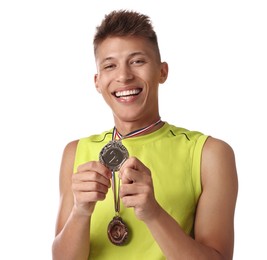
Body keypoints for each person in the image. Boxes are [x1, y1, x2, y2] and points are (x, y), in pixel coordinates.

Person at [52, 9, 238, 260]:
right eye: (110, 65)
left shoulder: (210, 154)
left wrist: (153, 213)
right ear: (97, 81)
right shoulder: (75, 152)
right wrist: (81, 211)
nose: (124, 76)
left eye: (137, 61)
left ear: (162, 71)